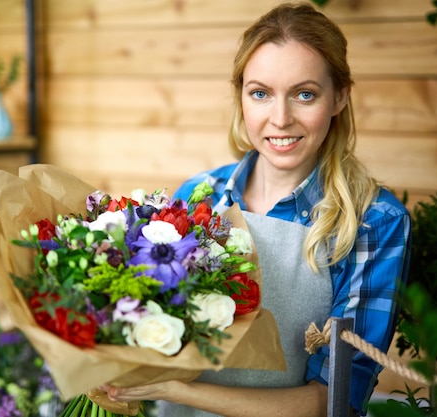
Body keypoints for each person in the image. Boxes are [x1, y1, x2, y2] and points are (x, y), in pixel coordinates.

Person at [100, 2, 412, 416]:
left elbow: (331, 402)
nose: (280, 118)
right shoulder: (200, 195)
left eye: (305, 94)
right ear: (241, 97)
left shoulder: (374, 222)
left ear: (339, 97)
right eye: (261, 93)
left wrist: (179, 391)